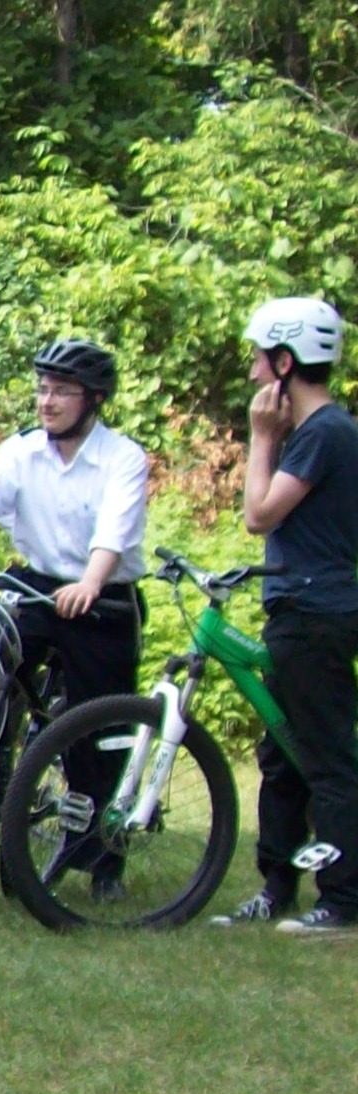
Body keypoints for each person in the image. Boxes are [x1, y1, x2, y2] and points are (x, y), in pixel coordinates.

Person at [0, 339, 149, 908]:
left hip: (101, 593)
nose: (48, 401)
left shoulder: (122, 457)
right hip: (37, 584)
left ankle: (101, 859)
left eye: (62, 391)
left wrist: (91, 582)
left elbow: (115, 531)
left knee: (98, 728)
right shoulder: (23, 451)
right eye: (43, 389)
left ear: (94, 400)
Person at [227, 298, 356, 932]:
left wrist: (260, 438)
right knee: (281, 752)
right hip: (298, 607)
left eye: (258, 360)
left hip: (316, 611)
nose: (252, 375)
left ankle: (342, 899)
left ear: (285, 361)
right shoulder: (319, 434)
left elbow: (259, 515)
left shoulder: (325, 433)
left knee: (325, 756)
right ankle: (277, 887)